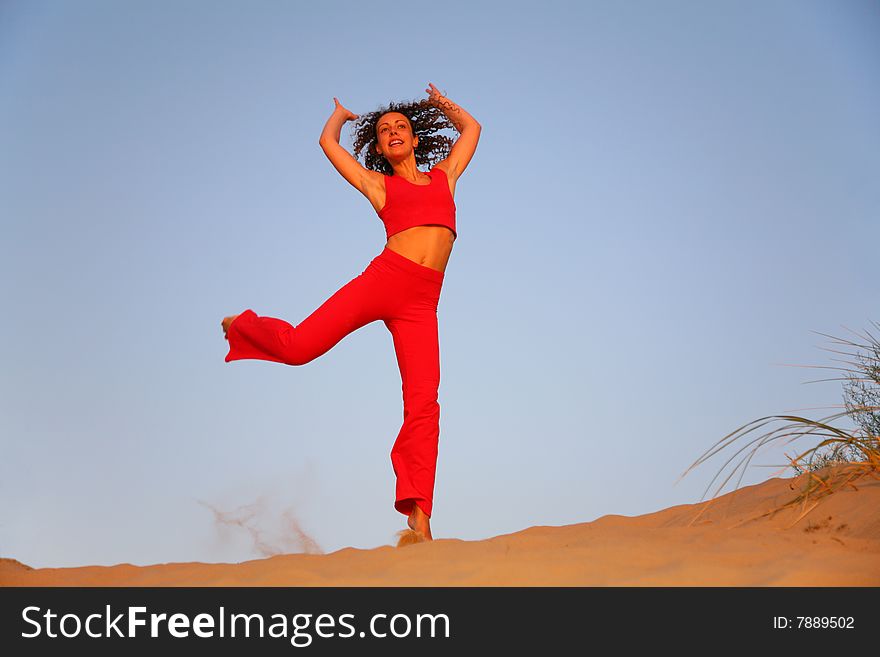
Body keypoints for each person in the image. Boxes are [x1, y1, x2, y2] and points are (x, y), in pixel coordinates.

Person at [221, 83, 481, 543]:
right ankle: (243, 328)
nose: (394, 132)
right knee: (301, 348)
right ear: (380, 147)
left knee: (424, 402)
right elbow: (328, 145)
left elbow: (472, 128)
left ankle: (419, 519)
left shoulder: (446, 176)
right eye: (384, 130)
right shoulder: (380, 184)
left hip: (422, 302)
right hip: (385, 280)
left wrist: (441, 104)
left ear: (414, 138)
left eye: (400, 126)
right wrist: (341, 117)